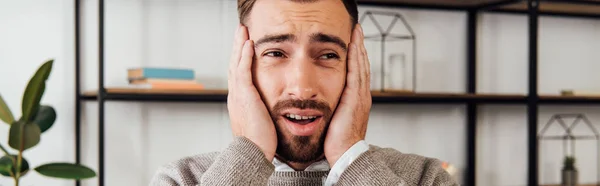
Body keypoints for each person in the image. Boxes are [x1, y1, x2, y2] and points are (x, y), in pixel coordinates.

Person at [150, 0, 458, 185]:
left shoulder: (426, 178)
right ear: (241, 66)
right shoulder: (181, 179)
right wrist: (249, 154)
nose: (303, 87)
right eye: (275, 53)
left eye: (327, 55)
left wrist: (352, 161)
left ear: (356, 64)